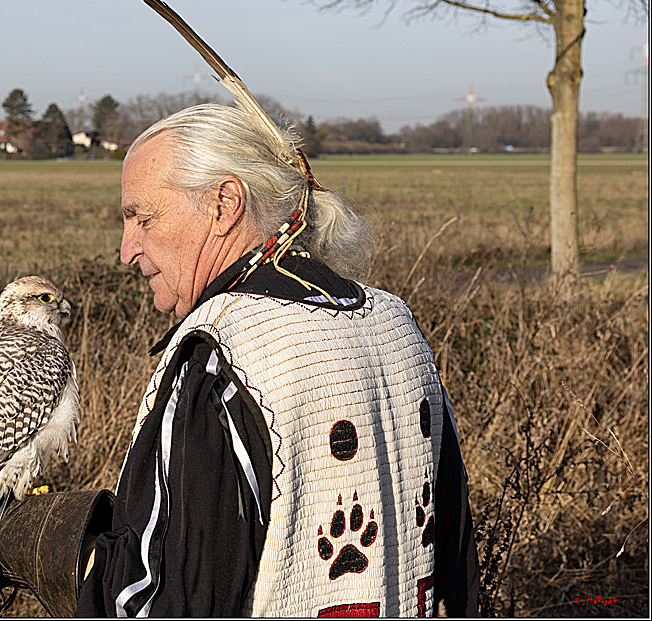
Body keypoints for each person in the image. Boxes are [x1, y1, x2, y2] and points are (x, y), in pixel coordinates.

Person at [67, 102, 479, 617]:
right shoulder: (396, 324)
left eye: (142, 218)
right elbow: (457, 563)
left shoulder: (219, 357)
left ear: (224, 204)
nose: (127, 249)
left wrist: (78, 556)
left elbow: (173, 599)